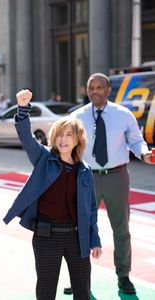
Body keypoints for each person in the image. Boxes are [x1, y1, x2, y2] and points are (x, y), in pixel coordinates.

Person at [3, 89, 102, 299]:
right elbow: (27, 138)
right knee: (46, 291)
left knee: (82, 291)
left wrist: (95, 240)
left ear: (78, 140)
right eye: (59, 134)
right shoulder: (43, 158)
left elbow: (91, 209)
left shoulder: (85, 170)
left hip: (77, 236)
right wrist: (22, 109)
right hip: (46, 236)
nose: (63, 139)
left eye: (69, 135)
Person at [70, 73, 155, 295]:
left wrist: (144, 154)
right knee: (80, 228)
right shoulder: (76, 117)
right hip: (86, 178)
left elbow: (136, 142)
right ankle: (80, 277)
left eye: (99, 87)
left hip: (117, 177)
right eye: (91, 88)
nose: (95, 91)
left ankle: (123, 276)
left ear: (108, 90)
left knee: (121, 229)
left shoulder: (123, 115)